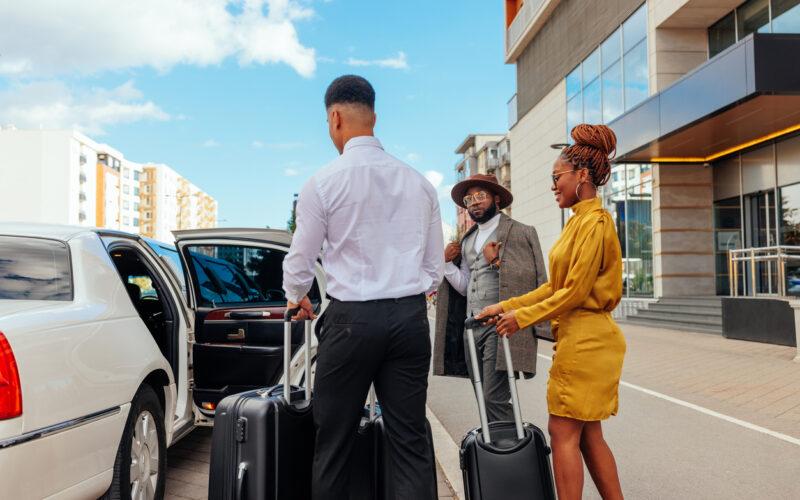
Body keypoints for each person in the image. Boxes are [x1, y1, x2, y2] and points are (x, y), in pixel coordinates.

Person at [282, 74, 443, 500]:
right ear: (373, 116)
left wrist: (296, 296)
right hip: (409, 320)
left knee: (334, 442)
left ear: (334, 117)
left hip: (351, 321)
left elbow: (300, 260)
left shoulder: (322, 182)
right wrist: (405, 293)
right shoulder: (420, 183)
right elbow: (434, 268)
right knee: (410, 441)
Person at [478, 124, 626, 500]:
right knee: (589, 437)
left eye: (557, 177)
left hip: (587, 342)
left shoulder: (594, 222)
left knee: (562, 433)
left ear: (582, 176)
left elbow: (574, 292)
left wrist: (520, 319)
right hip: (582, 338)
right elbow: (555, 287)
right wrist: (505, 305)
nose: (553, 185)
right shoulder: (579, 221)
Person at [432, 173, 548, 422]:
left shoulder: (521, 232)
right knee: (482, 398)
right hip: (470, 327)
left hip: (500, 325)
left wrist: (495, 262)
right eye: (469, 198)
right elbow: (465, 287)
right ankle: (493, 450)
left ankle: (511, 449)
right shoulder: (467, 240)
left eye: (480, 196)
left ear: (496, 198)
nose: (474, 202)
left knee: (493, 398)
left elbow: (532, 280)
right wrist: (446, 265)